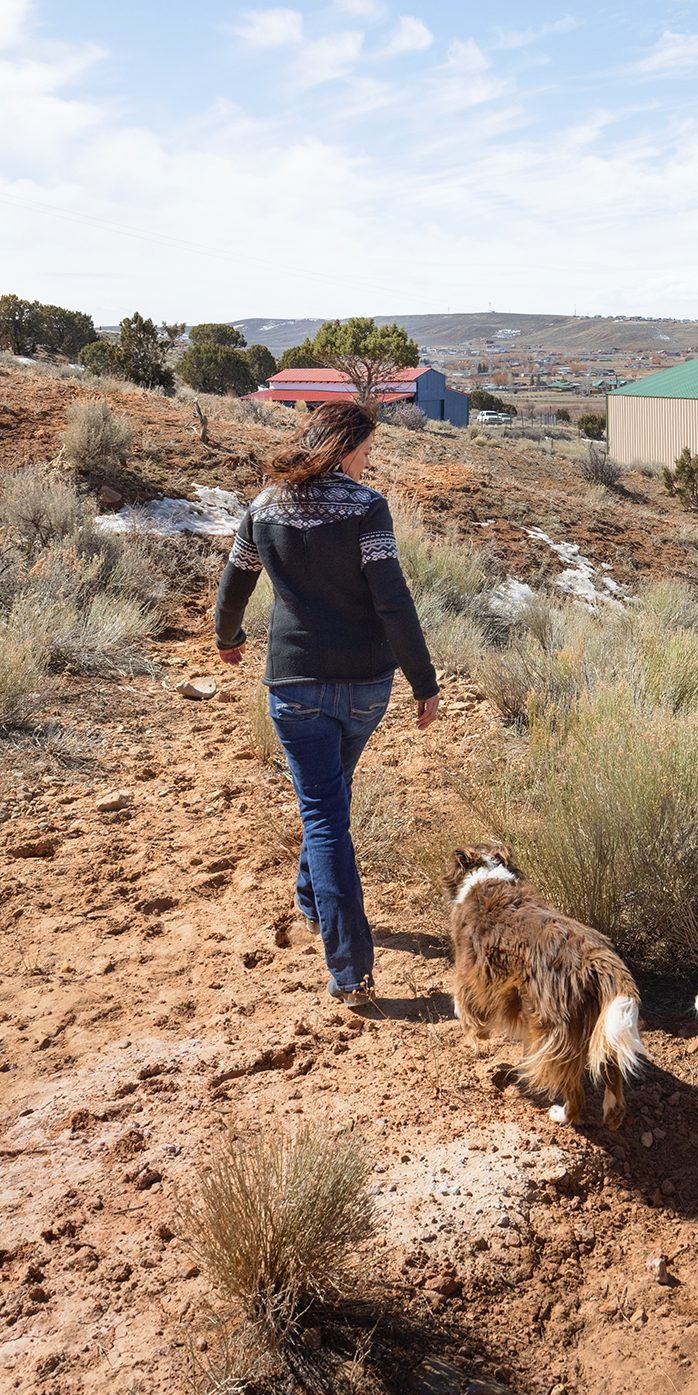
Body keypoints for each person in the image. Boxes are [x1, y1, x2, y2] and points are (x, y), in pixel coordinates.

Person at [214, 400, 439, 1008]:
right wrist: (424, 681)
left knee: (324, 807)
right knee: (328, 810)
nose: (371, 460)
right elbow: (392, 600)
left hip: (294, 685)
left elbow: (235, 584)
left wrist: (228, 638)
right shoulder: (366, 508)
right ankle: (335, 945)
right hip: (366, 684)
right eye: (367, 449)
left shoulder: (264, 507)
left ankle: (330, 936)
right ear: (342, 446)